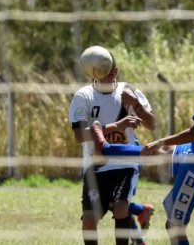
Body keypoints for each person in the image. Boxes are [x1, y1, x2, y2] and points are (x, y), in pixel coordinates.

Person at [89, 35, 194, 245]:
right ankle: (108, 149)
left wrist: (159, 140)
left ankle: (109, 151)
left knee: (174, 227)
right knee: (163, 151)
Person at [69, 46, 156, 245]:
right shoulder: (83, 96)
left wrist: (137, 105)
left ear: (115, 71)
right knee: (89, 220)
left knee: (121, 208)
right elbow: (80, 135)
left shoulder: (128, 91)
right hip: (95, 165)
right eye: (99, 73)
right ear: (91, 72)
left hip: (124, 163)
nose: (104, 78)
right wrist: (118, 126)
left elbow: (152, 124)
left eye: (108, 73)